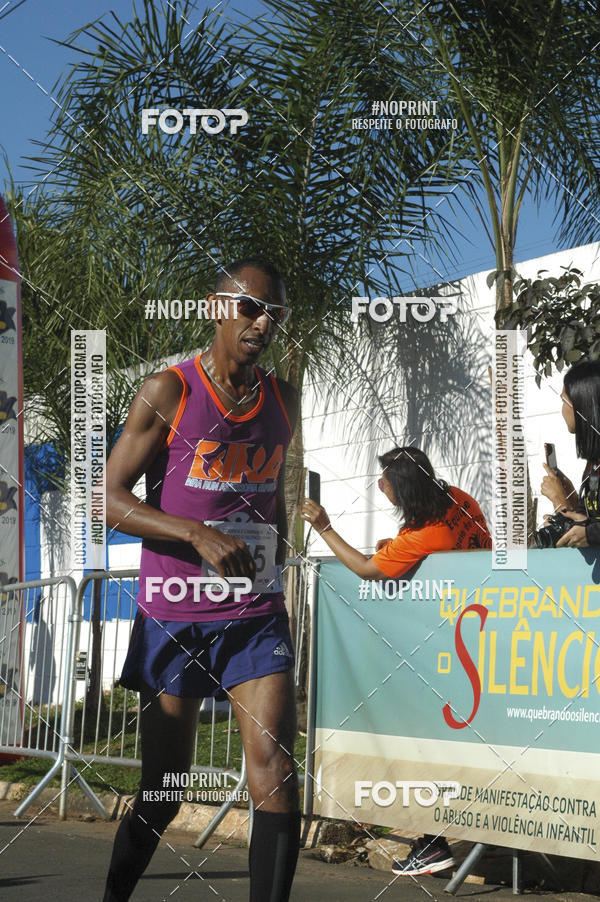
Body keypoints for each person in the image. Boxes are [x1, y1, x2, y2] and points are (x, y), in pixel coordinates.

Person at [103, 258, 300, 902]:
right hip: (176, 610)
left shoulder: (283, 398)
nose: (264, 322)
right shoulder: (170, 391)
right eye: (251, 308)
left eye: (275, 312)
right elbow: (108, 498)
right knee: (165, 790)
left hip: (252, 611)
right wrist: (194, 533)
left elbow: (268, 500)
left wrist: (274, 563)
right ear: (217, 308)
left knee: (273, 770)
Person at [301, 446, 491, 877]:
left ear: (404, 487)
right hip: (468, 639)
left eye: (385, 479)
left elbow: (367, 570)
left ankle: (433, 843)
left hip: (441, 648)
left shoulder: (429, 536)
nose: (379, 485)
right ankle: (442, 837)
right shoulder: (461, 500)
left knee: (419, 743)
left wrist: (325, 528)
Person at [540, 359, 600, 547]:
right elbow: (589, 523)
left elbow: (591, 532)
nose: (562, 410)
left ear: (584, 405)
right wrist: (569, 505)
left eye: (565, 401)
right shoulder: (593, 464)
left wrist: (560, 502)